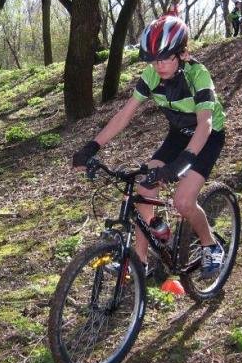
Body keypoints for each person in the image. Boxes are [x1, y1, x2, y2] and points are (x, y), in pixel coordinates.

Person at [72, 15, 227, 279]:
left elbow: (206, 124)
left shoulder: (198, 75)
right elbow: (124, 115)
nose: (159, 66)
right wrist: (92, 146)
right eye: (154, 60)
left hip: (207, 138)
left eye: (165, 58)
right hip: (178, 134)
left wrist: (181, 163)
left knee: (183, 202)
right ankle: (140, 262)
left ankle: (211, 245)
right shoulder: (151, 76)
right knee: (143, 188)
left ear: (182, 53)